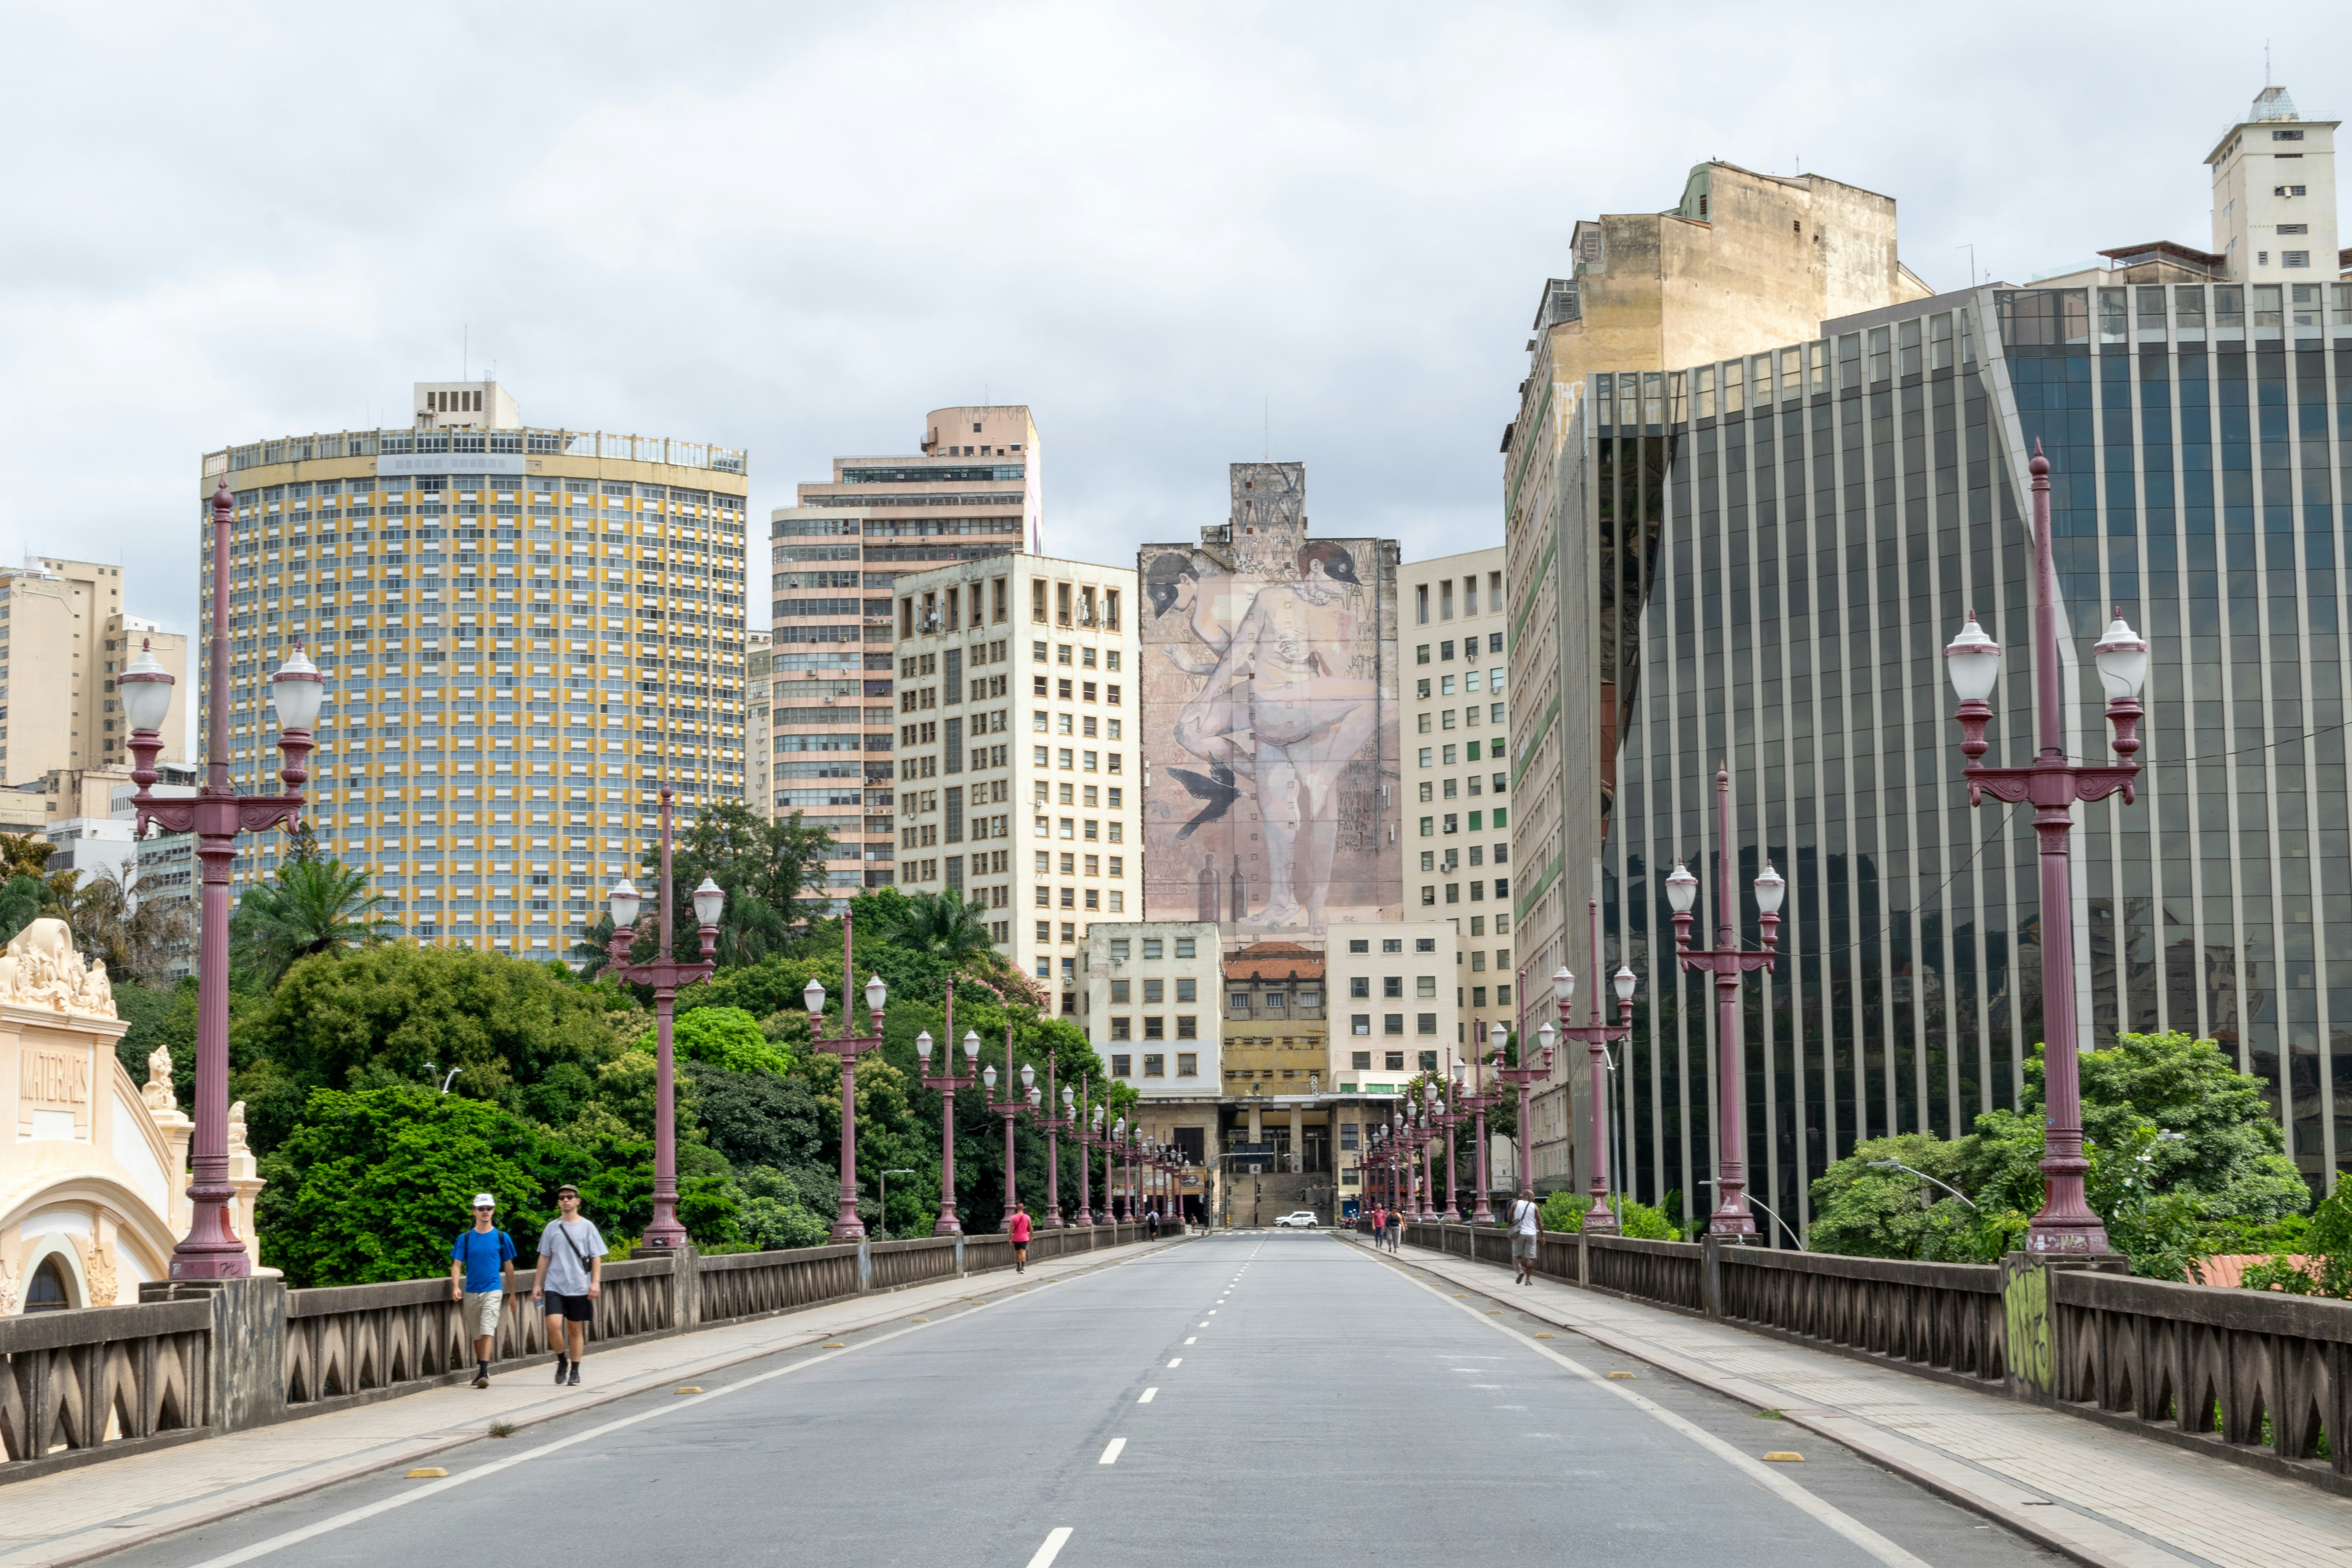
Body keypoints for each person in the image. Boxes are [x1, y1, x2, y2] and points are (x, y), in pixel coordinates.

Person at [532, 1184, 607, 1388]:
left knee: (575, 1330)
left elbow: (596, 1257)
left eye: (570, 1197)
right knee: (553, 1325)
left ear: (577, 1201)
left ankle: (575, 1369)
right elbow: (544, 1257)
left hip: (580, 1286)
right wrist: (537, 1285)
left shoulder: (587, 1227)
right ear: (558, 1202)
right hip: (555, 1285)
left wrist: (595, 1283)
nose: (566, 1200)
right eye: (562, 1197)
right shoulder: (552, 1227)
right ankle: (562, 1360)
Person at [449, 1192, 516, 1388]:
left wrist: (512, 1294)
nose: (485, 1212)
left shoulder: (502, 1237)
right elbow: (457, 1265)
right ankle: (481, 1369)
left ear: (493, 1211)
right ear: (475, 1212)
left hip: (493, 1289)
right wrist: (455, 1286)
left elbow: (509, 1266)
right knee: (477, 1335)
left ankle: (485, 1371)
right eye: (481, 1209)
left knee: (488, 1329)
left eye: (488, 1209)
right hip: (471, 1291)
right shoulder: (466, 1238)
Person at [1509, 1191, 1542, 1285]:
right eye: (1533, 1196)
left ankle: (1520, 1271)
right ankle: (1528, 1280)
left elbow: (1509, 1219)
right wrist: (1543, 1236)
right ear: (1528, 1196)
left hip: (1519, 1233)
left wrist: (1510, 1232)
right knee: (1530, 1258)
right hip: (1532, 1234)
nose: (1534, 1198)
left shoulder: (1515, 1205)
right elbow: (1539, 1222)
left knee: (1517, 1255)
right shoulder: (1535, 1207)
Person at [1009, 1202, 1032, 1273]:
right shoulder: (1027, 1217)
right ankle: (1022, 1268)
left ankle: (1018, 1268)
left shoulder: (1013, 1218)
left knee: (1018, 1253)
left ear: (1017, 1209)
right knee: (1023, 1252)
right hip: (1024, 1238)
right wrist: (1031, 1236)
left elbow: (1010, 1229)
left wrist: (1010, 1239)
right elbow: (1030, 1227)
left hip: (1016, 1238)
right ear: (1023, 1209)